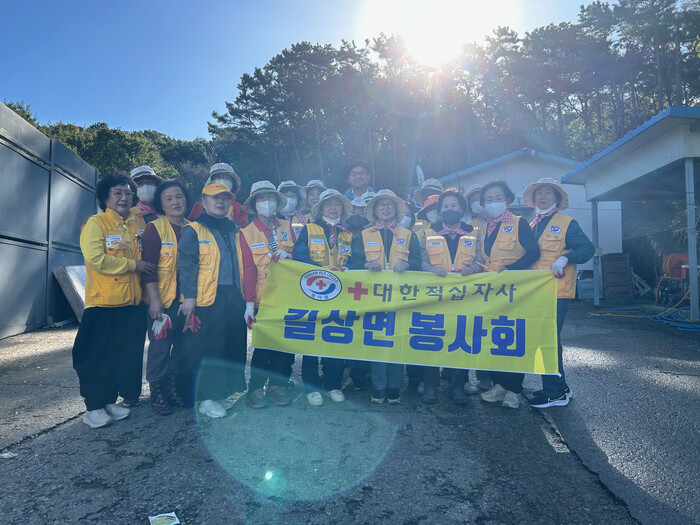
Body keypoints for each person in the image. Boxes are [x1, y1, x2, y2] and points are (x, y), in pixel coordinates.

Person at [72, 172, 155, 428]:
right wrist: (133, 265)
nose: (124, 197)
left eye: (128, 193)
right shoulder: (96, 223)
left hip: (132, 305)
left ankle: (108, 402)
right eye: (118, 193)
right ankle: (93, 408)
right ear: (105, 197)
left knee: (120, 357)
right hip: (104, 304)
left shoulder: (137, 225)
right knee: (97, 357)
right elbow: (96, 259)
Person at [178, 182, 248, 418]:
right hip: (207, 299)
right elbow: (186, 266)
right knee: (209, 349)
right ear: (203, 203)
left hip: (233, 296)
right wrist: (189, 298)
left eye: (225, 198)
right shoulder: (193, 230)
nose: (220, 202)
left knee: (231, 346)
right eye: (214, 197)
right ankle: (206, 398)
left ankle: (221, 393)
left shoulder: (235, 230)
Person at [523, 177, 594, 408]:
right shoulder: (532, 225)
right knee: (548, 340)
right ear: (533, 198)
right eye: (539, 192)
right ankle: (560, 387)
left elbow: (587, 249)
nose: (543, 196)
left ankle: (554, 392)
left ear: (556, 198)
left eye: (548, 192)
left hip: (556, 292)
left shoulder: (566, 223)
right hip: (536, 293)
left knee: (547, 341)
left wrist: (566, 258)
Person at [350, 189, 422, 404]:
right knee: (377, 342)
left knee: (398, 341)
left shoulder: (408, 234)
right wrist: (365, 264)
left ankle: (394, 387)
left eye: (389, 204)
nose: (385, 208)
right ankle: (379, 387)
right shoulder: (364, 235)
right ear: (374, 210)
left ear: (397, 210)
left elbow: (418, 262)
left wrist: (408, 264)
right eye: (380, 204)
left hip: (401, 298)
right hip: (372, 298)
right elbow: (353, 262)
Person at [477, 180, 540, 409]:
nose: (493, 203)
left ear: (508, 200)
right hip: (490, 292)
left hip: (515, 291)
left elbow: (533, 252)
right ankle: (499, 385)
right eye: (489, 200)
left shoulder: (519, 222)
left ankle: (513, 389)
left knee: (514, 339)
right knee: (494, 338)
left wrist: (511, 269)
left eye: (498, 198)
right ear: (483, 204)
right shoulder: (483, 228)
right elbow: (482, 258)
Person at [236, 181, 296, 408]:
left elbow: (298, 257)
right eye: (261, 199)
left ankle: (276, 386)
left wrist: (290, 257)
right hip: (263, 299)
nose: (266, 202)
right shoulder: (245, 233)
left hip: (287, 296)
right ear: (253, 204)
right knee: (263, 347)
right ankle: (255, 388)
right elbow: (248, 269)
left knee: (284, 345)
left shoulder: (287, 226)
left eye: (270, 198)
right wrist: (249, 304)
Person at [420, 188, 483, 404]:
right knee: (432, 340)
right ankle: (430, 385)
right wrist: (430, 269)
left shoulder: (473, 232)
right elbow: (421, 260)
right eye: (445, 206)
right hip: (434, 297)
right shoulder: (429, 232)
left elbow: (482, 259)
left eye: (454, 205)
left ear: (462, 209)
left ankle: (457, 386)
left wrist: (474, 267)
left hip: (464, 297)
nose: (449, 209)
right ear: (439, 210)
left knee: (460, 341)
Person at [293, 189, 354, 406]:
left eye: (338, 204)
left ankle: (333, 384)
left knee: (335, 337)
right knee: (311, 339)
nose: (334, 208)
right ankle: (311, 387)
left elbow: (355, 259)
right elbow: (300, 254)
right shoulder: (309, 229)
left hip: (339, 294)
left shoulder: (347, 233)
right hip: (313, 291)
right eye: (329, 204)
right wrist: (320, 271)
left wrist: (348, 269)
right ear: (320, 208)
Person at [141, 180, 191, 415]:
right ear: (161, 204)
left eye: (179, 196)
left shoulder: (194, 228)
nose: (175, 202)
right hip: (163, 302)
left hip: (188, 302)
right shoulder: (154, 228)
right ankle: (157, 392)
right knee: (160, 348)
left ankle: (172, 389)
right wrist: (155, 301)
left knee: (182, 348)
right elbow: (149, 269)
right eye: (168, 198)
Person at [464, 183, 493, 392]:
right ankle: (466, 377)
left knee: (490, 332)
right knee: (469, 331)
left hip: (497, 285)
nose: (476, 203)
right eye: (472, 199)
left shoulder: (506, 221)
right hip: (472, 285)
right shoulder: (469, 226)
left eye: (479, 198)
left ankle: (488, 378)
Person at [188, 163, 249, 227]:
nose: (222, 181)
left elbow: (243, 231)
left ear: (233, 183)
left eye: (226, 177)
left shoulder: (240, 210)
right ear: (211, 182)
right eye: (218, 177)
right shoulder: (199, 205)